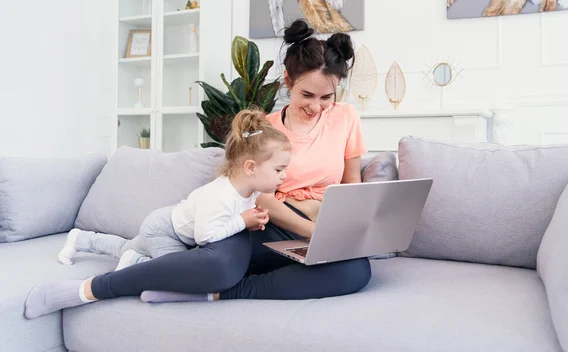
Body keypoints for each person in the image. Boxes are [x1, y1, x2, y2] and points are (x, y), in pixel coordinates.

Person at [24, 19, 372, 320]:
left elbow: (352, 184)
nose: (317, 107)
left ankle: (221, 293)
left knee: (357, 270)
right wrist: (311, 231)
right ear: (287, 81)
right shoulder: (265, 131)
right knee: (219, 265)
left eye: (327, 97)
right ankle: (89, 290)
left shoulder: (345, 118)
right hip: (270, 225)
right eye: (307, 95)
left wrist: (348, 230)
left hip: (323, 227)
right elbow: (260, 198)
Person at [56, 108, 290, 272]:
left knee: (124, 246)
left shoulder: (252, 192)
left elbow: (229, 222)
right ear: (251, 167)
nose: (284, 175)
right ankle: (138, 262)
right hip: (164, 230)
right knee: (180, 269)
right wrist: (241, 221)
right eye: (279, 169)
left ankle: (81, 239)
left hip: (167, 226)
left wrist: (251, 221)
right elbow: (205, 236)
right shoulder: (221, 195)